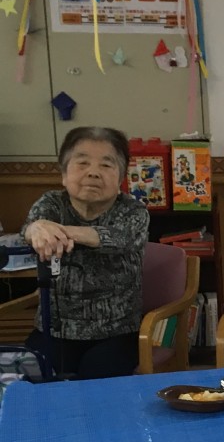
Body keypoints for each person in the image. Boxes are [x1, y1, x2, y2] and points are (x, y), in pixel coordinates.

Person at [21, 126, 149, 379]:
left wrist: (63, 232)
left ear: (121, 178)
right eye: (82, 163)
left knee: (95, 385)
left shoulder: (133, 211)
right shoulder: (51, 204)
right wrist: (35, 228)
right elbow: (32, 228)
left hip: (116, 331)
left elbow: (121, 238)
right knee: (30, 381)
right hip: (54, 329)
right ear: (64, 174)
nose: (93, 172)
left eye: (106, 165)